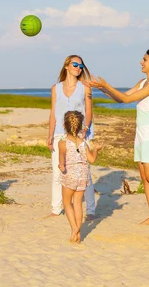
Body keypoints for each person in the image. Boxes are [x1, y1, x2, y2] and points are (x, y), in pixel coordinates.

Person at [84, 49, 149, 228]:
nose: (141, 62)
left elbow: (127, 98)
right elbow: (121, 100)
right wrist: (102, 88)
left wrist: (106, 85)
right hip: (140, 135)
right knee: (145, 177)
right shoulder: (143, 82)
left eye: (144, 60)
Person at [47, 55, 97, 220]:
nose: (78, 68)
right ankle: (56, 209)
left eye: (81, 66)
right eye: (75, 64)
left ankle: (90, 211)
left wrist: (85, 129)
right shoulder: (56, 88)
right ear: (67, 66)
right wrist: (50, 135)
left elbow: (88, 111)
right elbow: (53, 113)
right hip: (60, 134)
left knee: (85, 172)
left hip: (81, 134)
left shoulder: (85, 87)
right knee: (58, 171)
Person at [58, 111, 101, 243]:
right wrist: (96, 150)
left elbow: (61, 163)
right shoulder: (83, 142)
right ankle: (79, 234)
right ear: (80, 126)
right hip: (83, 174)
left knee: (67, 203)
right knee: (78, 203)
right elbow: (92, 160)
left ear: (64, 126)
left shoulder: (62, 143)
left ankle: (75, 229)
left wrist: (62, 167)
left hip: (70, 174)